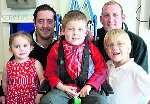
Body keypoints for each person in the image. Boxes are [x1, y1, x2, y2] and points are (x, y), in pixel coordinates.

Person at [40, 10, 107, 104]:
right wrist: (62, 87)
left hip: (87, 89)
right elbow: (50, 73)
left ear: (85, 32)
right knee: (48, 101)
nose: (75, 33)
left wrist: (90, 85)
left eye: (80, 29)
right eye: (71, 29)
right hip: (63, 89)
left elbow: (102, 70)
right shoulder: (56, 48)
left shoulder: (92, 48)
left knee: (101, 101)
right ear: (63, 31)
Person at [95, 0, 148, 73]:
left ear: (123, 18)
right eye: (107, 15)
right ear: (101, 19)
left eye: (115, 15)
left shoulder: (138, 43)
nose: (110, 20)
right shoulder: (93, 38)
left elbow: (141, 78)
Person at [103, 29, 150, 104]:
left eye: (120, 44)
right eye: (110, 45)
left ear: (128, 48)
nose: (114, 48)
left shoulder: (136, 71)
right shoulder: (107, 65)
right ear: (106, 50)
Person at [2, 31, 45, 104]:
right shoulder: (8, 65)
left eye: (25, 46)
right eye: (17, 46)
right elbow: (4, 82)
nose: (21, 49)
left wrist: (39, 94)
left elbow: (42, 80)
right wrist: (5, 96)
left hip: (32, 98)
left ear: (31, 48)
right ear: (10, 50)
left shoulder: (35, 63)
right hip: (13, 99)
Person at [10, 4, 57, 70]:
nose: (45, 26)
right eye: (40, 21)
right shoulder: (24, 43)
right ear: (34, 23)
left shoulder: (62, 43)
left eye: (49, 21)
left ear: (54, 23)